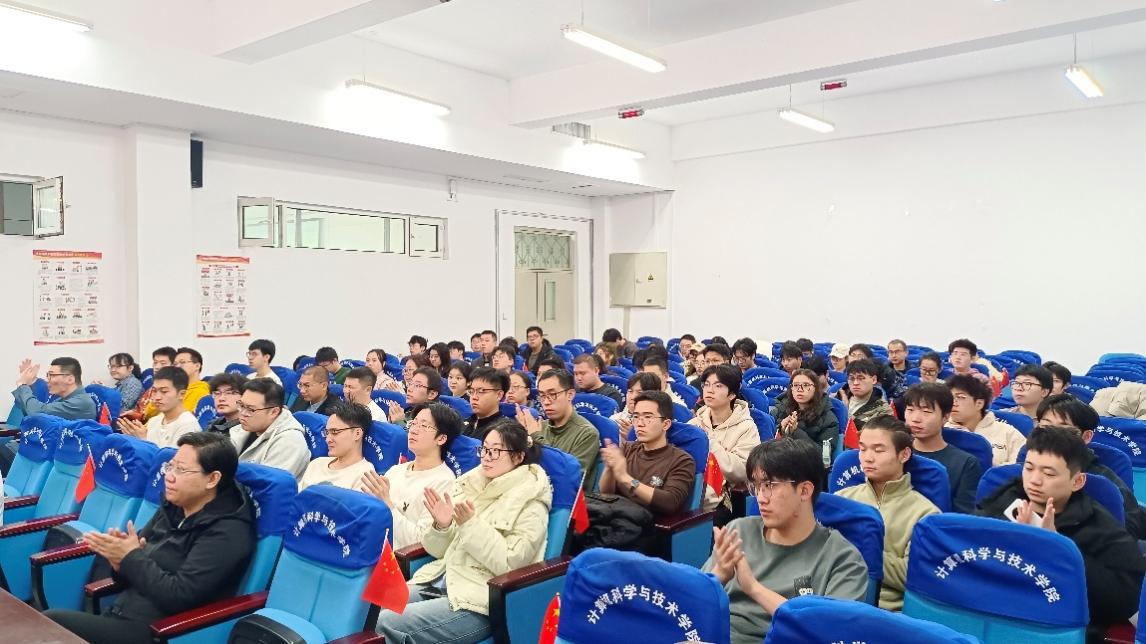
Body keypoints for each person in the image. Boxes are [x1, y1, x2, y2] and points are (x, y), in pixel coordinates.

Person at [46, 432, 255, 644]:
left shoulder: (228, 532)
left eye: (181, 470)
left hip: (162, 631)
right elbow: (134, 564)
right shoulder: (173, 507)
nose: (169, 476)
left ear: (212, 479)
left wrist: (130, 557)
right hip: (124, 613)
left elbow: (178, 596)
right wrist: (119, 563)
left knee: (51, 624)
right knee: (45, 626)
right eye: (170, 467)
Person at [374, 419, 551, 644]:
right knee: (372, 608)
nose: (486, 457)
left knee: (386, 622)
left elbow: (511, 564)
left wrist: (470, 525)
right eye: (484, 449)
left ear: (518, 457)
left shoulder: (531, 503)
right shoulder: (471, 484)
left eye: (495, 451)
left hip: (479, 601)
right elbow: (437, 551)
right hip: (442, 579)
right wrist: (442, 526)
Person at [977, 426, 1145, 639]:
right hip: (991, 614)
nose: (1035, 480)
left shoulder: (1097, 524)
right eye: (1029, 468)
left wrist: (1058, 546)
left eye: (1048, 473)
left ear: (1077, 481)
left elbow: (1126, 599)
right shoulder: (1002, 501)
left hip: (1056, 628)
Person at [702, 439, 868, 641]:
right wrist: (718, 576)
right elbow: (695, 602)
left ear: (804, 491)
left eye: (769, 485)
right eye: (756, 486)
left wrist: (754, 588)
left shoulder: (843, 559)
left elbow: (829, 633)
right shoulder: (738, 531)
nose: (760, 498)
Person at [836, 416, 940, 611]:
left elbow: (914, 575)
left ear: (904, 454)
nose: (867, 458)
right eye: (863, 449)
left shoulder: (925, 514)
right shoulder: (842, 499)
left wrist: (856, 550)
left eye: (878, 450)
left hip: (887, 613)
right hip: (833, 600)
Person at [1036, 394, 1146, 539]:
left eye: (1063, 429)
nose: (1051, 436)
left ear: (1086, 436)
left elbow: (1129, 527)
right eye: (1045, 427)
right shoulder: (1026, 465)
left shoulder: (1102, 481)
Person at [362, 402, 460, 549]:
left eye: (424, 426)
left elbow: (419, 541)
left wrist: (387, 504)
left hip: (395, 556)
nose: (413, 430)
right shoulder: (396, 470)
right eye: (414, 423)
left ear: (441, 439)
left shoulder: (444, 482)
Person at [598, 391, 695, 517]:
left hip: (647, 524)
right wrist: (610, 468)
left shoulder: (682, 460)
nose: (640, 423)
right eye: (636, 417)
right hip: (614, 517)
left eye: (648, 417)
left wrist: (625, 478)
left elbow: (670, 502)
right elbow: (606, 493)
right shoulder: (627, 448)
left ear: (665, 424)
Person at [690, 365, 760, 521]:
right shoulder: (694, 424)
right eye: (706, 384)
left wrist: (708, 440)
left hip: (725, 499)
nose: (709, 390)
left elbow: (742, 470)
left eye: (718, 386)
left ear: (732, 394)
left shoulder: (746, 427)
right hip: (692, 491)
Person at [904, 383, 982, 513]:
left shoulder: (966, 464)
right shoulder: (897, 452)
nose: (915, 419)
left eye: (926, 412)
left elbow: (962, 516)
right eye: (910, 410)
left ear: (945, 417)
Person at [519, 369, 600, 490]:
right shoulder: (540, 426)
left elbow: (568, 479)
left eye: (552, 395)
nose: (546, 402)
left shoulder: (587, 433)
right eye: (542, 396)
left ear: (570, 394)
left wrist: (535, 437)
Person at [229, 378, 310, 480]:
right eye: (241, 405)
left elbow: (269, 484)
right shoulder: (245, 427)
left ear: (274, 412)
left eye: (251, 409)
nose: (243, 413)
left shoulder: (290, 442)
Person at [946, 374, 1025, 466]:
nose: (953, 403)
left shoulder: (1007, 433)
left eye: (960, 397)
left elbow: (1022, 465)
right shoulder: (941, 431)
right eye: (950, 397)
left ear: (979, 404)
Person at [299, 403, 376, 492]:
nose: (328, 439)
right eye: (327, 433)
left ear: (357, 434)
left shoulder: (365, 476)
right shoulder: (316, 463)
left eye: (335, 432)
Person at [117, 366, 200, 448]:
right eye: (154, 391)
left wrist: (143, 440)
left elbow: (173, 457)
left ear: (182, 394)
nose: (157, 397)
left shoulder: (188, 425)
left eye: (164, 391)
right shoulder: (154, 421)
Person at [771, 369, 839, 454]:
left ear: (816, 388)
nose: (800, 389)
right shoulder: (781, 409)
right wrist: (781, 428)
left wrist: (796, 431)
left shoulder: (828, 419)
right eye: (796, 385)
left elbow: (823, 455)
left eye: (806, 385)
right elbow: (767, 439)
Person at [11, 356, 97, 420]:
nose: (47, 380)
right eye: (47, 375)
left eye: (52, 375)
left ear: (70, 379)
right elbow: (30, 413)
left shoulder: (81, 403)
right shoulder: (63, 399)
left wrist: (23, 385)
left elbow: (37, 412)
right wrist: (29, 384)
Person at [122, 346, 178, 422]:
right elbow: (139, 410)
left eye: (163, 363)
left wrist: (136, 415)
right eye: (155, 362)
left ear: (174, 365)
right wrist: (132, 414)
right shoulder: (151, 389)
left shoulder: (175, 389)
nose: (157, 367)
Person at [841, 359, 893, 431]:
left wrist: (845, 411)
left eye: (861, 378)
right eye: (851, 378)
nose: (855, 383)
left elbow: (877, 433)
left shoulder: (883, 409)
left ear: (874, 380)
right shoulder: (838, 397)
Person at [463, 367, 507, 439]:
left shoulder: (504, 431)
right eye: (471, 391)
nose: (474, 397)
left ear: (499, 395)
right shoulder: (462, 423)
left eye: (481, 391)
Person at [169, 347, 210, 414]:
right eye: (175, 364)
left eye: (182, 362)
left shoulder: (201, 392)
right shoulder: (175, 391)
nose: (178, 366)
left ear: (197, 366)